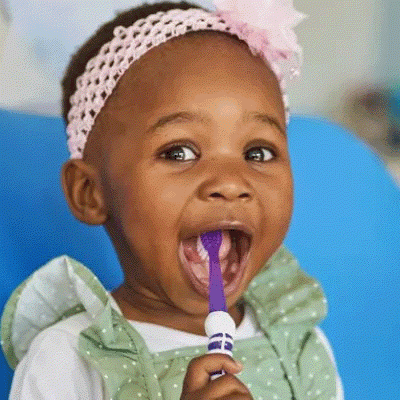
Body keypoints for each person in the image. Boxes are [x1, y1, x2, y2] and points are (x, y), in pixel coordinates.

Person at [1, 1, 345, 399]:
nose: (231, 183)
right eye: (179, 152)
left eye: (258, 153)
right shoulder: (69, 358)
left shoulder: (301, 346)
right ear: (90, 193)